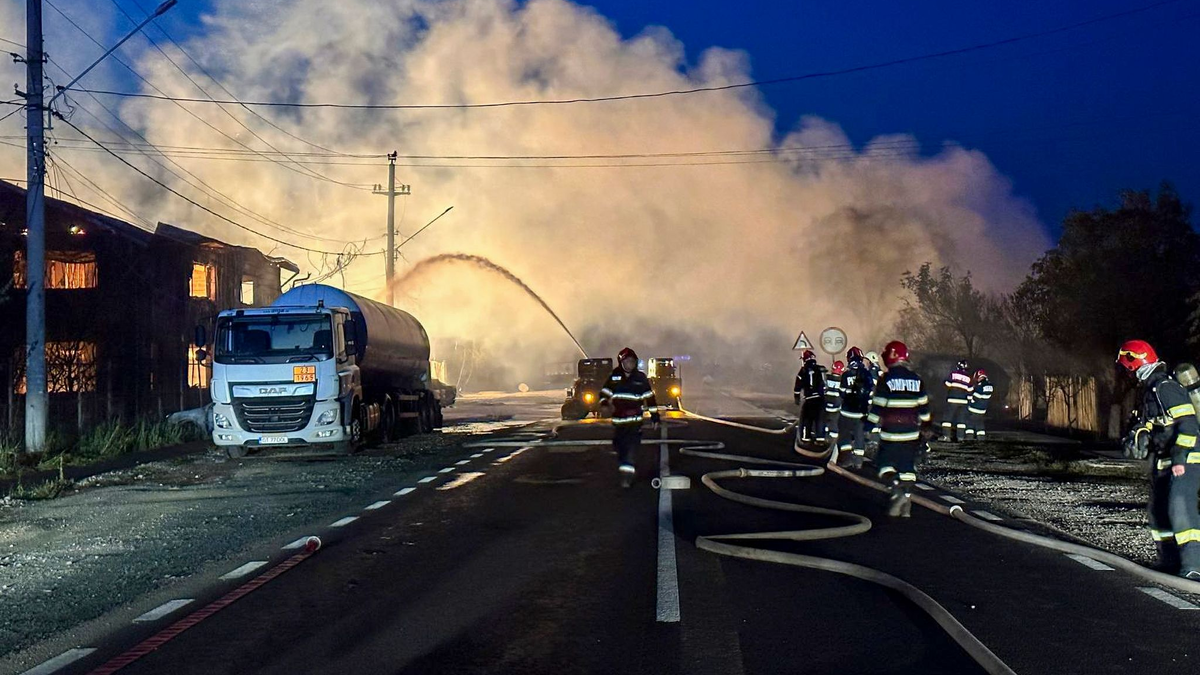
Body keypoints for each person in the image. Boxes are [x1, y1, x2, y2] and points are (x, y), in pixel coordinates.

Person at [1118, 340, 1200, 578]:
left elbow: (1189, 426)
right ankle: (1169, 562)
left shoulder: (1165, 387)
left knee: (1180, 507)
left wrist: (1179, 457)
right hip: (1164, 460)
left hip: (1188, 458)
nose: (1126, 373)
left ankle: (1194, 567)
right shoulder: (1151, 390)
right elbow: (1154, 425)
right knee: (1158, 511)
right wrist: (1139, 434)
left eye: (1126, 367)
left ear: (1134, 363)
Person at [867, 341, 933, 517]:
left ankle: (897, 489)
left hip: (891, 432)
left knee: (884, 464)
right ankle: (906, 502)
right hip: (911, 433)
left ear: (890, 356)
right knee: (907, 467)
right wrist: (926, 426)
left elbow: (878, 407)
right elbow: (924, 408)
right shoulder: (917, 380)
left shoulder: (885, 379)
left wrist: (868, 426)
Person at [599, 347, 660, 487]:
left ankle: (627, 476)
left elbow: (649, 398)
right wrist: (604, 404)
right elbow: (604, 393)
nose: (630, 364)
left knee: (632, 449)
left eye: (632, 361)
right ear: (621, 362)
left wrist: (655, 417)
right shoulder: (614, 377)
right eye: (627, 361)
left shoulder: (640, 378)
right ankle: (626, 466)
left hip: (635, 422)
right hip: (619, 422)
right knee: (620, 448)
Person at [838, 349, 873, 468]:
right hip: (861, 413)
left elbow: (842, 393)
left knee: (844, 435)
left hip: (847, 412)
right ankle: (858, 461)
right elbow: (871, 393)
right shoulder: (867, 374)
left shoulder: (846, 374)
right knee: (859, 436)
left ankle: (846, 459)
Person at [794, 350, 826, 446]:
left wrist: (797, 397)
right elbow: (824, 383)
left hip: (809, 398)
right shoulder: (820, 369)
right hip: (820, 398)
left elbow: (798, 386)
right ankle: (820, 439)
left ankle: (806, 438)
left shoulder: (803, 370)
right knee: (819, 419)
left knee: (807, 419)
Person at [942, 359, 972, 442]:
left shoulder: (953, 374)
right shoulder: (968, 377)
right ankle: (960, 437)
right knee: (961, 421)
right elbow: (970, 390)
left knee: (947, 419)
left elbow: (947, 384)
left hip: (952, 400)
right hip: (963, 402)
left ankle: (946, 436)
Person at [966, 369, 994, 440]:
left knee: (970, 424)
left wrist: (970, 401)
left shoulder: (980, 385)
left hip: (975, 408)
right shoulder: (989, 385)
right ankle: (981, 438)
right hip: (982, 409)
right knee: (980, 424)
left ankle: (969, 438)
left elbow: (975, 396)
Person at [824, 360, 845, 446]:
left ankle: (823, 439)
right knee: (834, 425)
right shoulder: (843, 380)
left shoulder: (826, 377)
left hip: (825, 406)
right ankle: (833, 443)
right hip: (836, 408)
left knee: (824, 423)